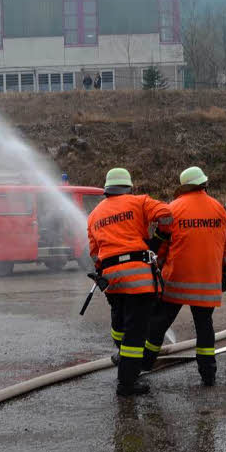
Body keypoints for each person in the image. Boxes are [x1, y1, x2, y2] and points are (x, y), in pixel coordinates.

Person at [143, 166, 226, 386]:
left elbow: (161, 246)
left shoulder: (173, 208)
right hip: (207, 282)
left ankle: (144, 363)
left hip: (176, 280)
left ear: (183, 187)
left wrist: (156, 269)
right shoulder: (218, 208)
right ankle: (208, 373)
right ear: (203, 184)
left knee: (159, 323)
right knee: (204, 326)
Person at [87, 168, 172, 396]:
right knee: (136, 331)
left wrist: (103, 270)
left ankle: (121, 354)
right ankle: (127, 383)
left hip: (111, 279)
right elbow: (166, 214)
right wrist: (158, 240)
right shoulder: (139, 202)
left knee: (120, 319)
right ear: (128, 187)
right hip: (138, 279)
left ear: (107, 189)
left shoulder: (94, 214)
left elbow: (94, 253)